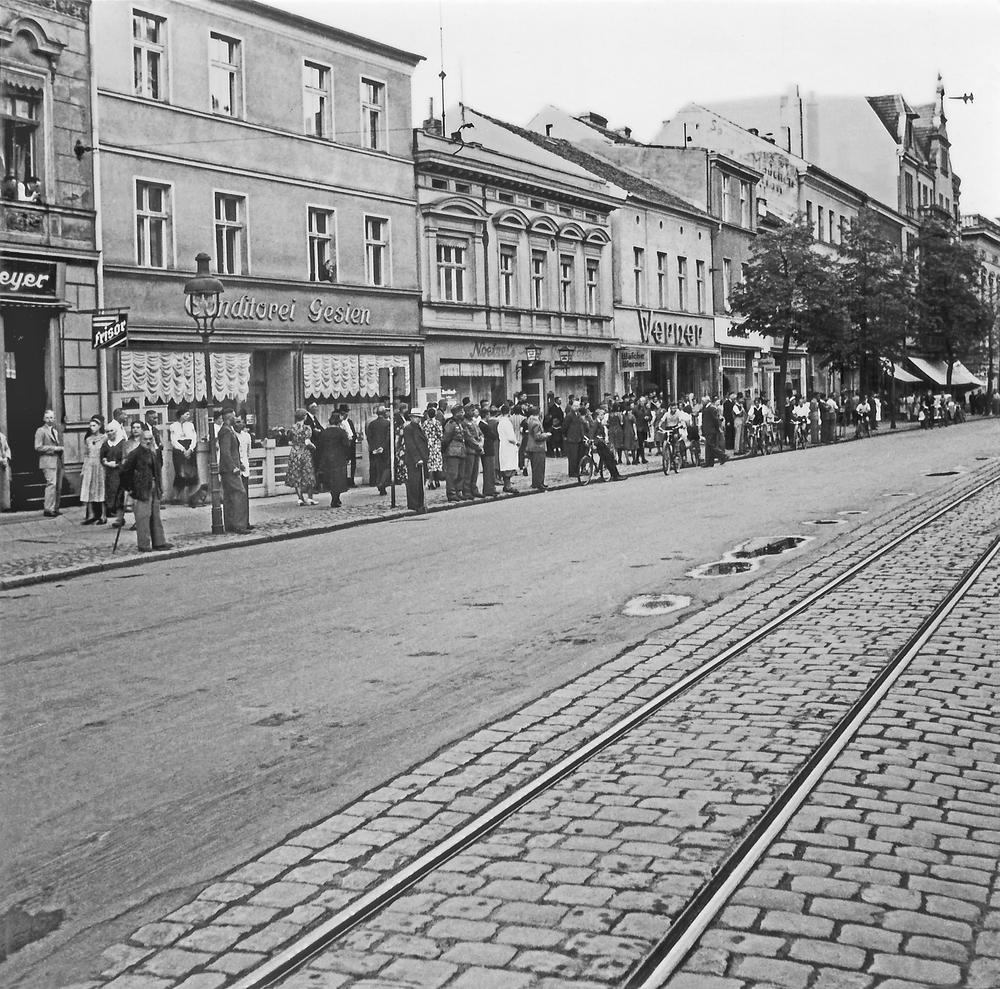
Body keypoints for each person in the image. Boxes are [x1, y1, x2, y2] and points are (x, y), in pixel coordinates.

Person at [119, 432, 172, 552]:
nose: (148, 442)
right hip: (142, 489)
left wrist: (159, 487)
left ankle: (159, 542)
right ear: (140, 440)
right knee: (143, 518)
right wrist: (130, 488)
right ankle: (144, 544)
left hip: (154, 488)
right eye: (145, 439)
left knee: (156, 516)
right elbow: (124, 472)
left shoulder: (152, 453)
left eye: (150, 439)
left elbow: (156, 472)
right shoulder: (135, 454)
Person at [217, 409, 249, 533]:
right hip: (229, 470)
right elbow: (225, 451)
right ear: (229, 417)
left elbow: (231, 450)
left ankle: (230, 524)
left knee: (229, 496)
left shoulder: (228, 430)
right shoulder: (226, 430)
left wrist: (239, 464)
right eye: (234, 416)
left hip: (229, 468)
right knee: (240, 493)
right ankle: (239, 525)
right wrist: (233, 467)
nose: (236, 418)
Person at [316, 411, 351, 507]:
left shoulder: (324, 432)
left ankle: (334, 497)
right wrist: (347, 456)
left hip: (327, 457)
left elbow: (320, 446)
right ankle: (336, 498)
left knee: (330, 478)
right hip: (339, 457)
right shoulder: (341, 432)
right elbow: (347, 445)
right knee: (338, 478)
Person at [34, 409, 65, 517]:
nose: (49, 420)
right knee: (51, 484)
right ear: (44, 419)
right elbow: (37, 447)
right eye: (47, 418)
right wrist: (54, 448)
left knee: (58, 486)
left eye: (51, 417)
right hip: (47, 460)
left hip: (57, 461)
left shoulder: (55, 431)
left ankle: (55, 507)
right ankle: (48, 508)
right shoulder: (40, 431)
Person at [168, 407, 200, 506]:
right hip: (178, 450)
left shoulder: (190, 425)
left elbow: (194, 437)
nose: (188, 416)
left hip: (190, 448)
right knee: (180, 473)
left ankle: (190, 497)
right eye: (186, 414)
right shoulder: (173, 426)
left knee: (191, 473)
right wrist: (183, 450)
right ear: (181, 415)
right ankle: (176, 497)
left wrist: (190, 449)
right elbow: (173, 440)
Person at [286, 409, 318, 506]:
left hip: (295, 453)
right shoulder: (307, 428)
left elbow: (289, 441)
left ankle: (300, 498)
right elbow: (307, 442)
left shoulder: (292, 428)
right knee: (308, 474)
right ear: (304, 417)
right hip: (304, 453)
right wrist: (314, 447)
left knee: (296, 475)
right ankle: (310, 498)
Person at [79, 415, 106, 524]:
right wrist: (84, 468)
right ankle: (91, 515)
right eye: (90, 426)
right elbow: (86, 454)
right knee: (89, 489)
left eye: (94, 425)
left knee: (101, 489)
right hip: (90, 464)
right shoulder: (88, 439)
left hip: (100, 465)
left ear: (99, 426)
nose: (92, 427)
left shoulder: (104, 438)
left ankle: (103, 515)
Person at [101, 417, 127, 526]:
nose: (110, 433)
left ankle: (120, 519)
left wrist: (119, 464)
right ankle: (116, 515)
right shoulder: (105, 444)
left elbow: (126, 457)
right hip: (110, 474)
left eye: (111, 431)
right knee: (111, 495)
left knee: (120, 495)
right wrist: (107, 463)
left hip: (120, 472)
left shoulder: (122, 443)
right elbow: (102, 458)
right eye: (107, 431)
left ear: (116, 431)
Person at [402, 407, 429, 512]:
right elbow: (410, 445)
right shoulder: (408, 428)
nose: (418, 419)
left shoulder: (418, 428)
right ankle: (414, 504)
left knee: (420, 482)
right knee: (414, 482)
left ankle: (420, 503)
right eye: (416, 417)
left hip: (422, 458)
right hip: (414, 460)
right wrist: (417, 458)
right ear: (411, 417)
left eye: (419, 417)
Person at [441, 404, 467, 501]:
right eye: (461, 412)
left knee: (461, 474)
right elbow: (446, 439)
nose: (463, 414)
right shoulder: (450, 424)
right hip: (452, 451)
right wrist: (444, 450)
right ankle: (451, 493)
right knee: (453, 474)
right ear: (456, 413)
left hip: (461, 451)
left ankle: (458, 491)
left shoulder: (459, 423)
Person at [365, 406, 392, 495]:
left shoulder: (372, 424)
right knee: (387, 467)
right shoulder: (388, 423)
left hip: (375, 449)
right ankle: (382, 483)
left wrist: (373, 448)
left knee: (379, 467)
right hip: (385, 449)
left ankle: (381, 486)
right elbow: (389, 437)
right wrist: (383, 447)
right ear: (384, 413)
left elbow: (369, 437)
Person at [524, 404, 551, 490]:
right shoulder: (536, 423)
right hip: (538, 447)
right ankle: (539, 483)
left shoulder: (530, 420)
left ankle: (536, 483)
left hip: (532, 446)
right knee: (539, 466)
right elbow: (537, 436)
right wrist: (546, 435)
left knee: (535, 466)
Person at [461, 405, 485, 498]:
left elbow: (480, 433)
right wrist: (477, 445)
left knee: (475, 472)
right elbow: (468, 437)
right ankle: (466, 491)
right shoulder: (464, 422)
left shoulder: (473, 422)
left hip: (477, 449)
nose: (473, 412)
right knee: (468, 471)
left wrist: (481, 442)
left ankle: (474, 489)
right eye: (471, 410)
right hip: (470, 449)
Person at [234, 415, 253, 529]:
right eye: (236, 422)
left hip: (244, 468)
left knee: (245, 496)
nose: (238, 424)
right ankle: (238, 522)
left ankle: (246, 521)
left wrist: (245, 463)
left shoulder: (247, 436)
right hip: (236, 469)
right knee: (237, 496)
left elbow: (248, 452)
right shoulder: (232, 435)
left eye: (240, 422)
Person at [496, 404, 519, 493]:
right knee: (509, 466)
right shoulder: (507, 422)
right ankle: (508, 485)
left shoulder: (501, 422)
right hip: (508, 446)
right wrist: (516, 442)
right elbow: (510, 437)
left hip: (503, 445)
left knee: (506, 465)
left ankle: (507, 484)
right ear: (509, 412)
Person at [700, 395, 728, 467]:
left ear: (707, 401)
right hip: (708, 430)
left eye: (703, 401)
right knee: (709, 447)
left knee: (711, 445)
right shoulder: (706, 408)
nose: (702, 402)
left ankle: (723, 456)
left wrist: (717, 429)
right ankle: (709, 462)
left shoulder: (711, 408)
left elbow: (715, 420)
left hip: (711, 430)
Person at [422, 404, 444, 489]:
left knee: (430, 465)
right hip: (436, 445)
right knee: (436, 464)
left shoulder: (425, 423)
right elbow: (440, 435)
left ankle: (430, 481)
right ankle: (436, 480)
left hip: (428, 445)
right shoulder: (437, 423)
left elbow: (423, 433)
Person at [337, 404, 359, 487]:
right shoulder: (340, 423)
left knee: (353, 463)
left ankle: (352, 480)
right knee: (346, 463)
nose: (345, 414)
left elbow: (353, 432)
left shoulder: (349, 421)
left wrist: (354, 439)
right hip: (345, 445)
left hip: (352, 444)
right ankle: (345, 480)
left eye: (346, 412)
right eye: (343, 413)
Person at [480, 407, 500, 498]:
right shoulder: (484, 425)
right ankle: (489, 489)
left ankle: (491, 488)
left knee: (490, 470)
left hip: (488, 448)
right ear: (486, 415)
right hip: (487, 449)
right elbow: (492, 436)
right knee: (489, 470)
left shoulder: (483, 424)